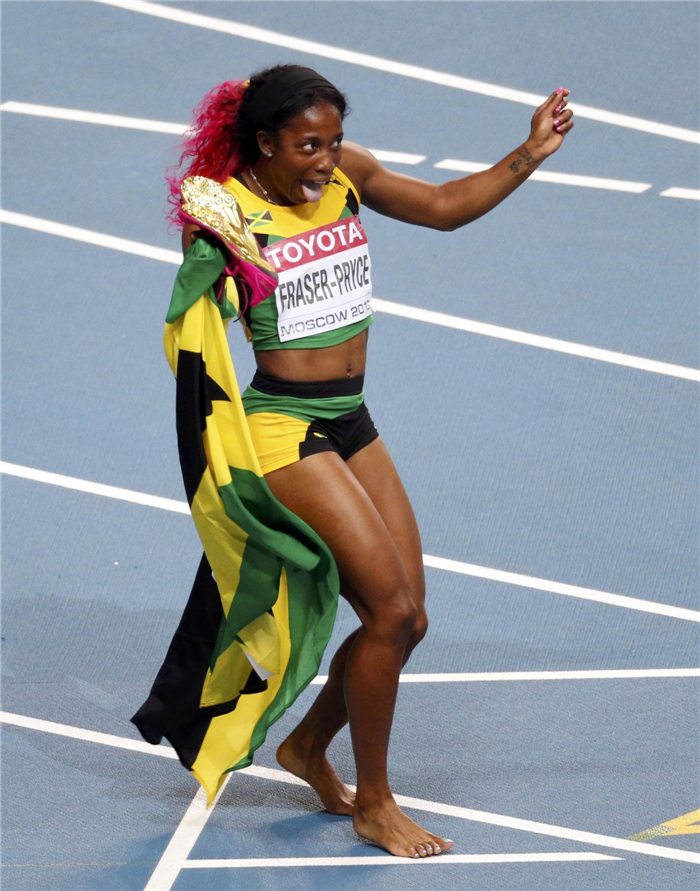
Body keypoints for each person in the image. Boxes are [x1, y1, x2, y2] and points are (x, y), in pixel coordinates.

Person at [168, 64, 573, 859]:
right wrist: (216, 271)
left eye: (334, 142)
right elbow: (200, 329)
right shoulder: (229, 214)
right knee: (388, 612)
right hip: (283, 425)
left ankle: (306, 747)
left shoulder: (346, 177)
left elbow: (443, 207)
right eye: (307, 146)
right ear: (264, 143)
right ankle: (375, 804)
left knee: (409, 618)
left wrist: (530, 152)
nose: (325, 160)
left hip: (350, 418)